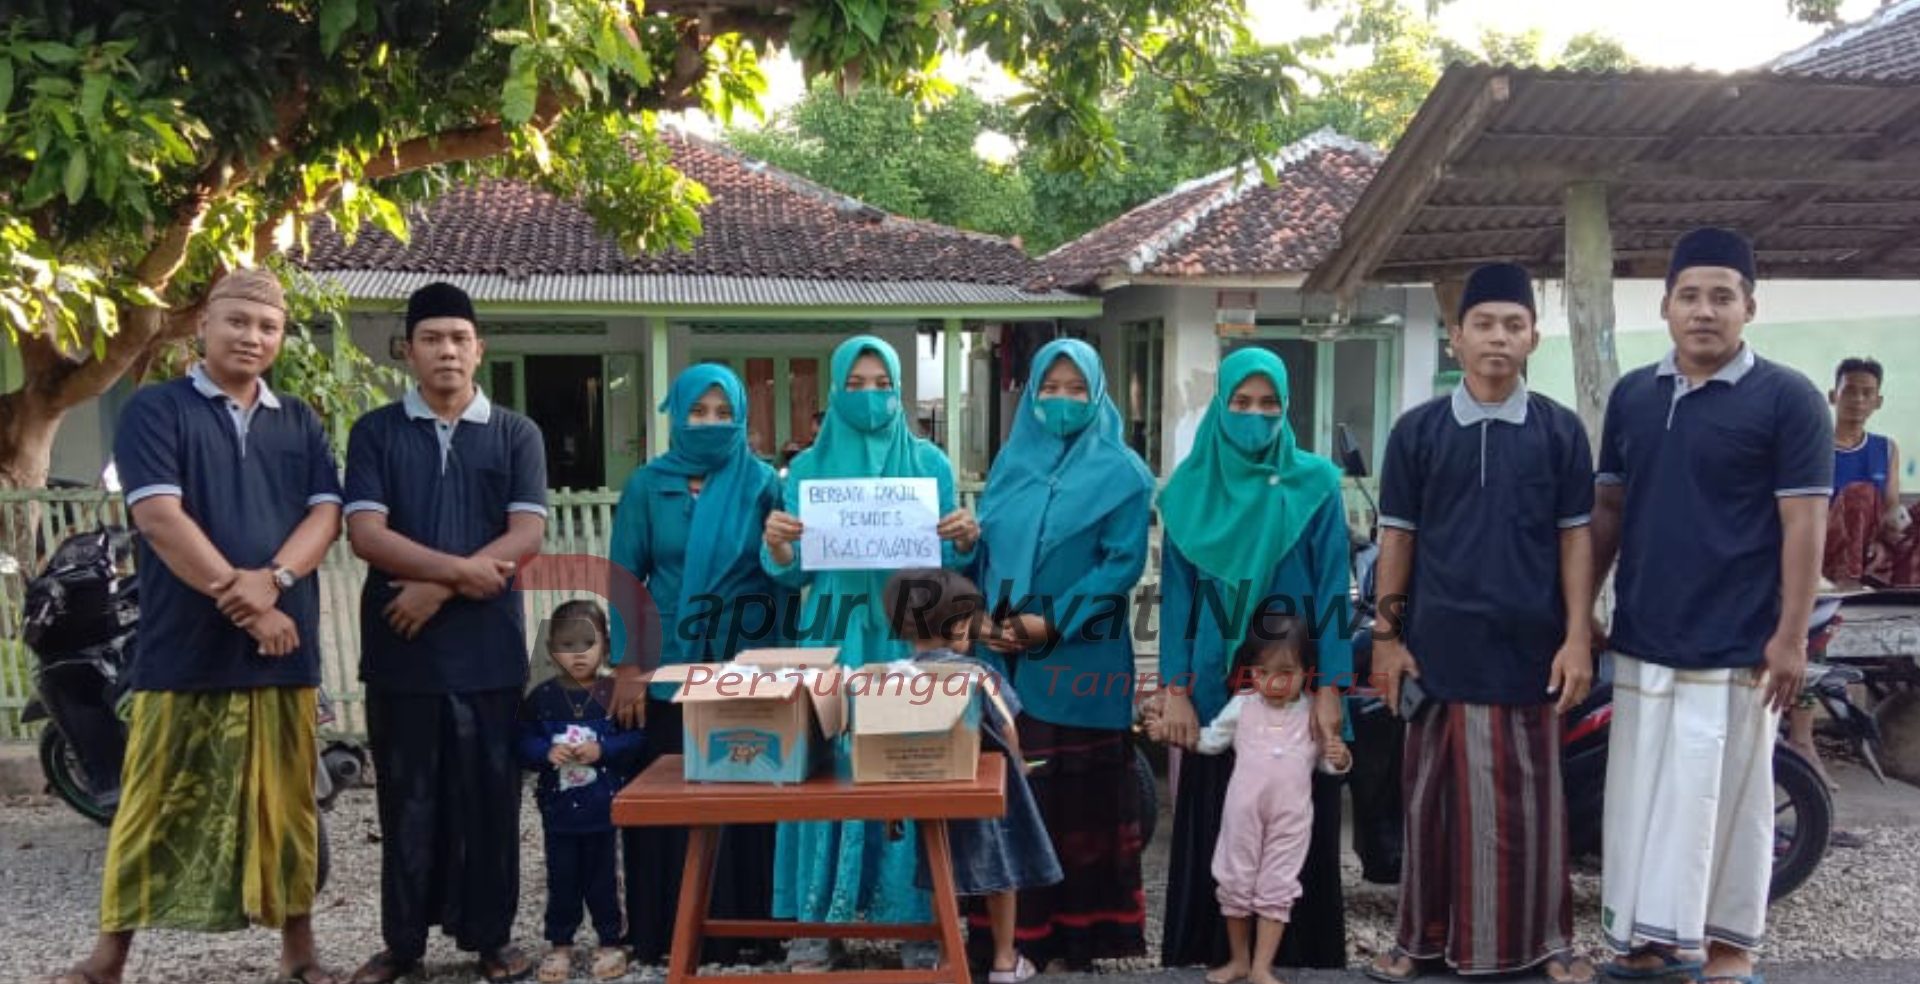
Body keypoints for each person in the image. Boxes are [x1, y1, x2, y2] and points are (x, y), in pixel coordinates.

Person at [55, 269, 344, 984]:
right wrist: (242, 599)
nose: (251, 336)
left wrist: (273, 582)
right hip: (184, 648)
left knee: (289, 807)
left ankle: (300, 954)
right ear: (205, 325)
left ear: (280, 337)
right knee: (153, 801)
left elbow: (326, 515)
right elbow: (158, 516)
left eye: (267, 326)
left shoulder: (298, 420)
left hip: (284, 648)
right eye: (237, 321)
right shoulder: (156, 411)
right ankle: (107, 958)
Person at [1590, 228, 1831, 984]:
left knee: (1727, 804)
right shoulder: (1634, 395)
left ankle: (1727, 949)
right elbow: (1608, 511)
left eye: (1721, 296)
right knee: (1639, 799)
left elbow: (1804, 523)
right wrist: (1582, 612)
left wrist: (1790, 638)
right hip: (1643, 634)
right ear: (1665, 306)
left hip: (1738, 645)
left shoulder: (1788, 399)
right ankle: (1643, 943)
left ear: (1749, 307)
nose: (1704, 311)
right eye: (1689, 295)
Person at [1365, 264, 1596, 984]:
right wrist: (1387, 638)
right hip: (1437, 652)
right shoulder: (1418, 432)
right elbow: (1397, 540)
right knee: (1432, 809)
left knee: (1533, 811)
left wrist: (1578, 637)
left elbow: (1575, 540)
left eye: (1514, 324)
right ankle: (1421, 944)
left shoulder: (1559, 432)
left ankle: (1545, 946)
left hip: (1531, 651)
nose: (1499, 337)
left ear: (1533, 336)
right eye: (1485, 324)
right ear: (1456, 336)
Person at [344, 282, 548, 984]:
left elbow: (526, 531)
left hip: (487, 652)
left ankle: (492, 939)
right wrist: (460, 573)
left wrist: (439, 584)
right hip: (402, 650)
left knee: (491, 800)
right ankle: (402, 945)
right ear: (409, 351)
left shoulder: (517, 433)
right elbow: (366, 533)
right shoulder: (375, 432)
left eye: (459, 338)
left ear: (479, 349)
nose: (447, 351)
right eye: (432, 339)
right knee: (407, 801)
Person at [760, 335, 980, 971]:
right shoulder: (804, 472)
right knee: (823, 770)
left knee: (912, 762)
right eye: (853, 384)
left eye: (880, 383)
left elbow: (952, 563)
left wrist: (965, 535)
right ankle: (813, 924)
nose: (868, 396)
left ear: (899, 392)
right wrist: (776, 546)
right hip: (833, 640)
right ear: (833, 392)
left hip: (910, 642)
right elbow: (792, 574)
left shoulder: (931, 465)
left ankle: (918, 923)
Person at [1150, 347, 1355, 973]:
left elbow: (1331, 592)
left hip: (1298, 684)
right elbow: (1179, 602)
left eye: (1269, 405)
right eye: (1241, 403)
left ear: (1287, 410)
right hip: (1217, 688)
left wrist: (1330, 686)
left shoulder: (1315, 483)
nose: (1255, 416)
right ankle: (1217, 956)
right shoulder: (1187, 493)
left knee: (1295, 819)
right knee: (1222, 822)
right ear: (1221, 407)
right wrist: (1177, 688)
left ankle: (1294, 960)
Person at [968, 338, 1154, 970]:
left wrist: (1048, 624)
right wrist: (989, 622)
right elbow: (988, 555)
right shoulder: (1009, 466)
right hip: (1004, 659)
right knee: (1015, 800)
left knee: (1075, 803)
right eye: (1051, 388)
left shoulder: (1125, 473)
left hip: (1080, 660)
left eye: (1078, 390)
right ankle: (1012, 941)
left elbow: (1120, 565)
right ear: (1031, 394)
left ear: (1097, 394)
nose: (1063, 401)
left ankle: (1081, 937)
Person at [606, 363, 793, 965]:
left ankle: (744, 931)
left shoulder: (762, 482)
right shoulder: (647, 485)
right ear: (677, 415)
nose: (711, 423)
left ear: (740, 417)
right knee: (671, 790)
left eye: (723, 412)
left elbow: (785, 571)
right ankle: (663, 931)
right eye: (698, 411)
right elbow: (625, 575)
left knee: (746, 785)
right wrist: (628, 666)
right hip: (668, 660)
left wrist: (783, 549)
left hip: (744, 656)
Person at [1149, 612, 1350, 984]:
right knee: (1235, 880)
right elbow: (1211, 741)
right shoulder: (1243, 706)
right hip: (1241, 819)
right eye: (1262, 673)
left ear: (1307, 672)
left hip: (1291, 822)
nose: (1273, 682)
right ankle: (1239, 960)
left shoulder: (1311, 715)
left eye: (1286, 673)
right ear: (1250, 672)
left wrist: (1341, 758)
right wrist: (1169, 734)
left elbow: (1328, 764)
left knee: (1278, 886)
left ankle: (1261, 966)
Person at [885, 568, 1063, 984]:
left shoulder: (896, 677)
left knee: (939, 876)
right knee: (1001, 875)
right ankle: (1004, 960)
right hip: (983, 793)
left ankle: (948, 956)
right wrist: (1017, 765)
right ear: (963, 625)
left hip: (930, 796)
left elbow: (885, 744)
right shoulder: (979, 674)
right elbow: (1007, 725)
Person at [519, 601, 644, 984]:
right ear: (552, 649)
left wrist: (603, 750)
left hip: (603, 808)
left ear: (606, 646)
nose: (578, 652)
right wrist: (545, 752)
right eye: (567, 643)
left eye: (588, 642)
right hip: (558, 812)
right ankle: (560, 943)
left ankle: (610, 940)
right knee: (562, 878)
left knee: (604, 877)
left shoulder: (614, 694)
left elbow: (637, 738)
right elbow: (521, 742)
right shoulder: (541, 698)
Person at [1824, 357, 1919, 588]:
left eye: (1867, 393)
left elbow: (1890, 508)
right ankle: (1848, 581)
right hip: (1825, 544)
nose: (1858, 399)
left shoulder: (1886, 448)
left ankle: (1905, 584)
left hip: (1874, 543)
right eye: (1850, 391)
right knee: (1860, 493)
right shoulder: (1813, 446)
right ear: (1833, 396)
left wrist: (1885, 537)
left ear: (1878, 402)